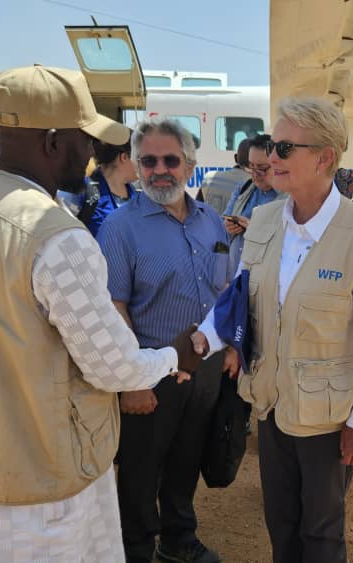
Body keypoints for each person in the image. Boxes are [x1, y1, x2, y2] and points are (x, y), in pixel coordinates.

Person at [0, 64, 200, 562]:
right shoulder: (55, 235)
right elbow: (114, 366)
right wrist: (175, 356)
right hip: (30, 484)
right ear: (55, 142)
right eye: (85, 140)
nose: (92, 154)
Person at [192, 97, 353, 563]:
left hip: (328, 419)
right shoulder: (265, 221)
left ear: (325, 157)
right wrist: (206, 338)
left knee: (322, 535)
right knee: (281, 526)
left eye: (284, 148)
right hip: (270, 405)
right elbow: (239, 299)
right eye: (270, 145)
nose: (270, 159)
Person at [97, 116, 232, 563]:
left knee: (186, 459)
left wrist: (229, 346)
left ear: (189, 165)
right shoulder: (120, 227)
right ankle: (135, 549)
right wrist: (131, 379)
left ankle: (178, 539)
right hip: (151, 371)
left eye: (170, 160)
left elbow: (225, 291)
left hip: (204, 369)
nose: (159, 169)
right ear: (135, 165)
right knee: (138, 469)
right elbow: (114, 307)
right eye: (148, 160)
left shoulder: (211, 221)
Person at [223, 134, 281, 273]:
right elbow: (221, 227)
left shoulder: (290, 198)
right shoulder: (243, 189)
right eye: (251, 167)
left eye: (261, 168)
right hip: (235, 280)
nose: (254, 174)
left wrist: (255, 230)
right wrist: (228, 228)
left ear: (278, 164)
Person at [201, 138, 252, 213]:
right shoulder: (253, 184)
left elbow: (198, 208)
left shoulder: (208, 178)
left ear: (235, 158)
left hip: (208, 224)